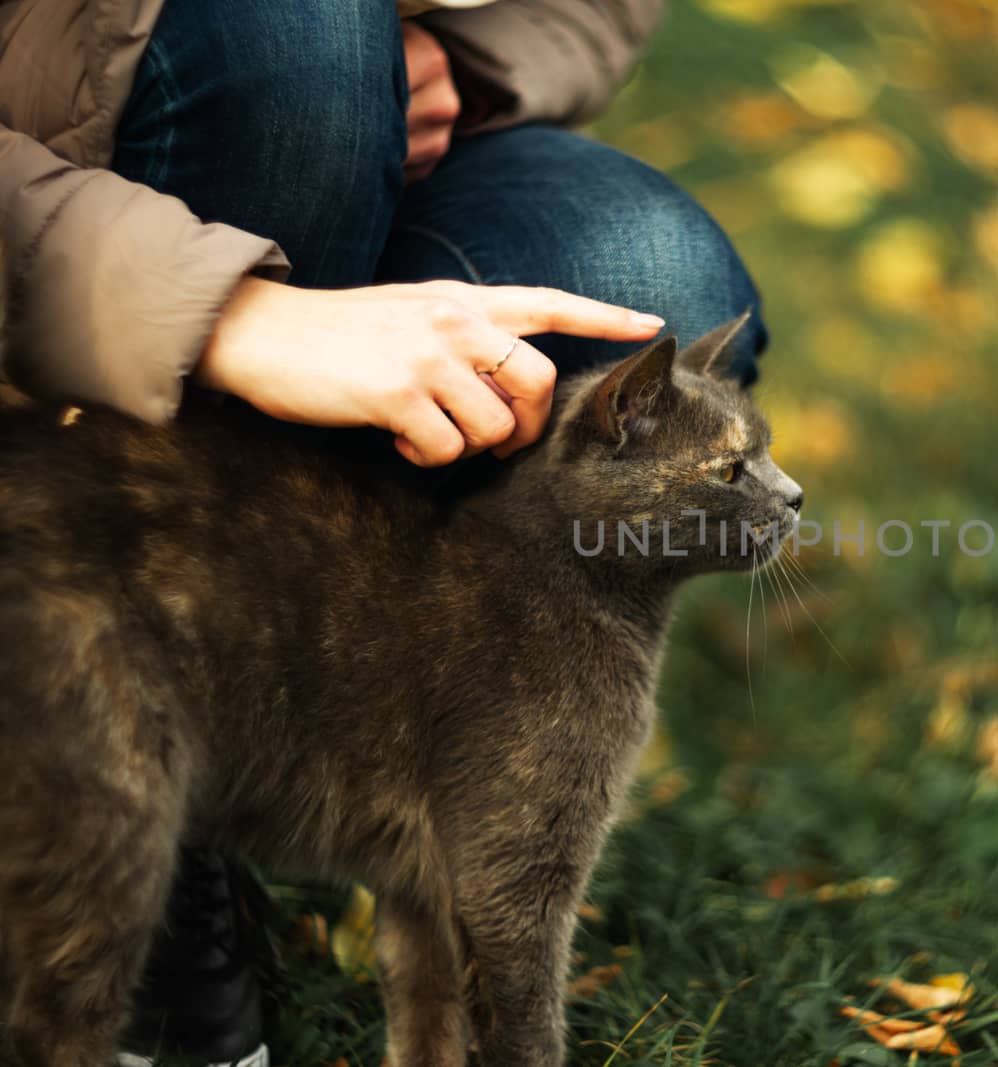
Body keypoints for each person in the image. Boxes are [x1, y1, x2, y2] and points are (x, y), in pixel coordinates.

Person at [0, 0, 768, 1062]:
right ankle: (127, 823)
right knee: (298, 38)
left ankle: (369, 750)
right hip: (69, 196)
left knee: (658, 277)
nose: (787, 491)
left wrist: (466, 64)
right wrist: (232, 318)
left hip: (395, 147)